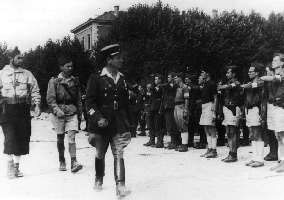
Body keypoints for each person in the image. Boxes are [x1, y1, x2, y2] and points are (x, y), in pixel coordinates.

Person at [86, 44, 131, 197]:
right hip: (101, 123)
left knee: (119, 153)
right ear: (108, 60)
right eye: (118, 58)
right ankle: (99, 179)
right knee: (100, 153)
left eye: (121, 58)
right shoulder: (96, 78)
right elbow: (89, 103)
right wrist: (98, 118)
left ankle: (121, 185)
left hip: (118, 122)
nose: (121, 60)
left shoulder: (122, 79)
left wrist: (128, 123)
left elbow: (125, 104)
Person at [0, 53, 41, 178]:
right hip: (7, 109)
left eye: (22, 57)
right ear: (11, 59)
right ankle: (10, 166)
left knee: (22, 137)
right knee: (10, 137)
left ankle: (17, 168)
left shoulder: (27, 74)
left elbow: (35, 89)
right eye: (18, 57)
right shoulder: (2, 73)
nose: (21, 60)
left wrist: (37, 104)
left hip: (22, 109)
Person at [46, 55, 83, 173]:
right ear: (61, 67)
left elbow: (78, 99)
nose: (70, 68)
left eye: (72, 66)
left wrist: (80, 114)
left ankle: (74, 161)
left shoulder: (75, 81)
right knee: (60, 137)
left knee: (72, 136)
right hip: (59, 113)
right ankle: (62, 160)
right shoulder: (54, 81)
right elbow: (50, 99)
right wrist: (57, 110)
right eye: (67, 66)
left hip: (72, 111)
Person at [261, 53, 284, 172]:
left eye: (276, 60)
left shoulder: (281, 74)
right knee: (278, 136)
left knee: (282, 135)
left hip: (281, 108)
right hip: (275, 107)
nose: (273, 62)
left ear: (282, 63)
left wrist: (267, 77)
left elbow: (276, 78)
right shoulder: (275, 74)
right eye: (273, 59)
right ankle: (281, 161)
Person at [241, 62, 265, 167]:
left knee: (257, 134)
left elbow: (254, 85)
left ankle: (260, 160)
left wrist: (244, 86)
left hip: (256, 109)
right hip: (249, 110)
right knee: (252, 134)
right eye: (249, 71)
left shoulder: (260, 81)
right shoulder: (250, 82)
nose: (249, 73)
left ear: (257, 73)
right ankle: (255, 157)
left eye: (251, 71)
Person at [218, 65, 242, 162]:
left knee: (233, 132)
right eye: (226, 72)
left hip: (233, 108)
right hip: (227, 108)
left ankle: (233, 154)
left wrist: (222, 87)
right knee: (228, 132)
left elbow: (232, 86)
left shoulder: (236, 82)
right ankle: (231, 153)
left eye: (228, 72)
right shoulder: (228, 83)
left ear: (234, 74)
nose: (226, 74)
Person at [198, 70, 218, 158]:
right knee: (206, 128)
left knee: (211, 128)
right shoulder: (205, 84)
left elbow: (215, 97)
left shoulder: (212, 83)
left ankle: (214, 150)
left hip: (210, 106)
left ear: (207, 74)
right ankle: (209, 149)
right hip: (204, 106)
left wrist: (214, 109)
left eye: (203, 73)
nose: (201, 75)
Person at [162, 72, 181, 149]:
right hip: (168, 107)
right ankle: (173, 141)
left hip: (175, 106)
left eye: (169, 77)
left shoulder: (177, 86)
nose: (168, 79)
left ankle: (176, 142)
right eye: (168, 77)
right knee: (169, 125)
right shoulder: (166, 86)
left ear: (173, 78)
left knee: (175, 125)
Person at [173, 73, 190, 152]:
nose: (175, 79)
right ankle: (181, 143)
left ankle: (185, 145)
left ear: (180, 78)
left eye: (176, 78)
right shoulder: (176, 87)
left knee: (183, 125)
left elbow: (186, 99)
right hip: (176, 106)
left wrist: (185, 110)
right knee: (179, 126)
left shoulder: (185, 87)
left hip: (182, 106)